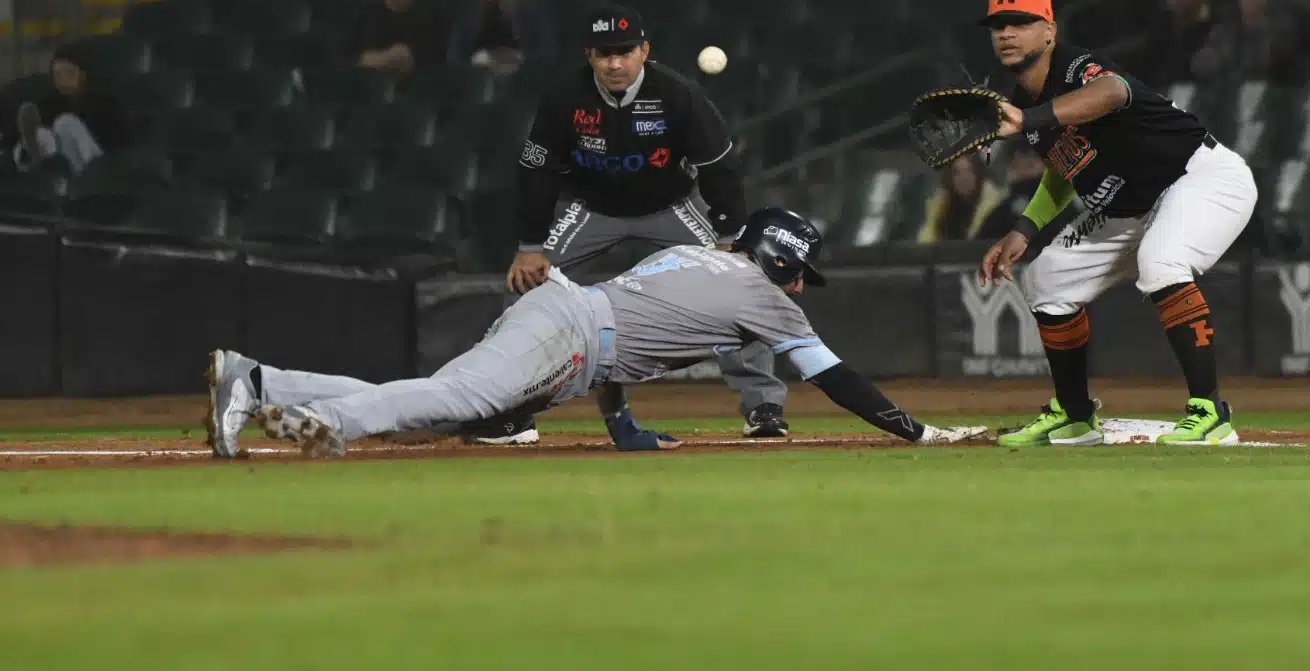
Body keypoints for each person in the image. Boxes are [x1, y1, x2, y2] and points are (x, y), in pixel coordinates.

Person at [204, 207, 986, 459]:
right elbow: (836, 379)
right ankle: (310, 421)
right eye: (797, 272)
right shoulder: (763, 295)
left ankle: (258, 380)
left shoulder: (695, 253)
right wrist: (913, 432)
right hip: (572, 333)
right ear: (779, 259)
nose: (796, 289)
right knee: (450, 398)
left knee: (442, 412)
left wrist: (621, 424)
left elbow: (629, 336)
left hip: (570, 328)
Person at [477, 5, 789, 446]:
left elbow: (720, 169)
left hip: (672, 205)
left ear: (645, 50)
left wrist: (729, 237)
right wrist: (530, 243)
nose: (616, 63)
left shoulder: (678, 94)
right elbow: (537, 173)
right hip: (591, 209)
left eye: (625, 52)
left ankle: (763, 405)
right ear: (589, 55)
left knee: (744, 282)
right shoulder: (565, 98)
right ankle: (511, 413)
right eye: (605, 54)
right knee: (526, 284)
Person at [976, 0, 1257, 447]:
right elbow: (1064, 167)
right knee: (1046, 278)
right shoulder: (1023, 104)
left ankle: (1211, 412)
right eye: (999, 25)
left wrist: (1033, 120)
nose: (1007, 33)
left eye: (1021, 22)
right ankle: (1075, 415)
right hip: (1129, 209)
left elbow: (1114, 92)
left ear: (1049, 30)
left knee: (1162, 261)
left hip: (1199, 178)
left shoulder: (1074, 66)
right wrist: (1025, 229)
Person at [11, 43, 130, 175]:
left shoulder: (105, 103)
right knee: (40, 133)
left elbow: (122, 144)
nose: (63, 79)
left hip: (98, 165)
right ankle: (31, 162)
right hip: (59, 166)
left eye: (69, 73)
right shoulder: (47, 104)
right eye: (57, 74)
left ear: (82, 75)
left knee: (65, 123)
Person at [346, 0, 448, 77]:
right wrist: (375, 59)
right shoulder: (367, 13)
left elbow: (439, 58)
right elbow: (346, 55)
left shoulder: (434, 15)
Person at [917, 152, 1009, 243]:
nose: (964, 178)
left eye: (970, 171)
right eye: (957, 173)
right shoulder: (940, 208)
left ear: (978, 174)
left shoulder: (996, 210)